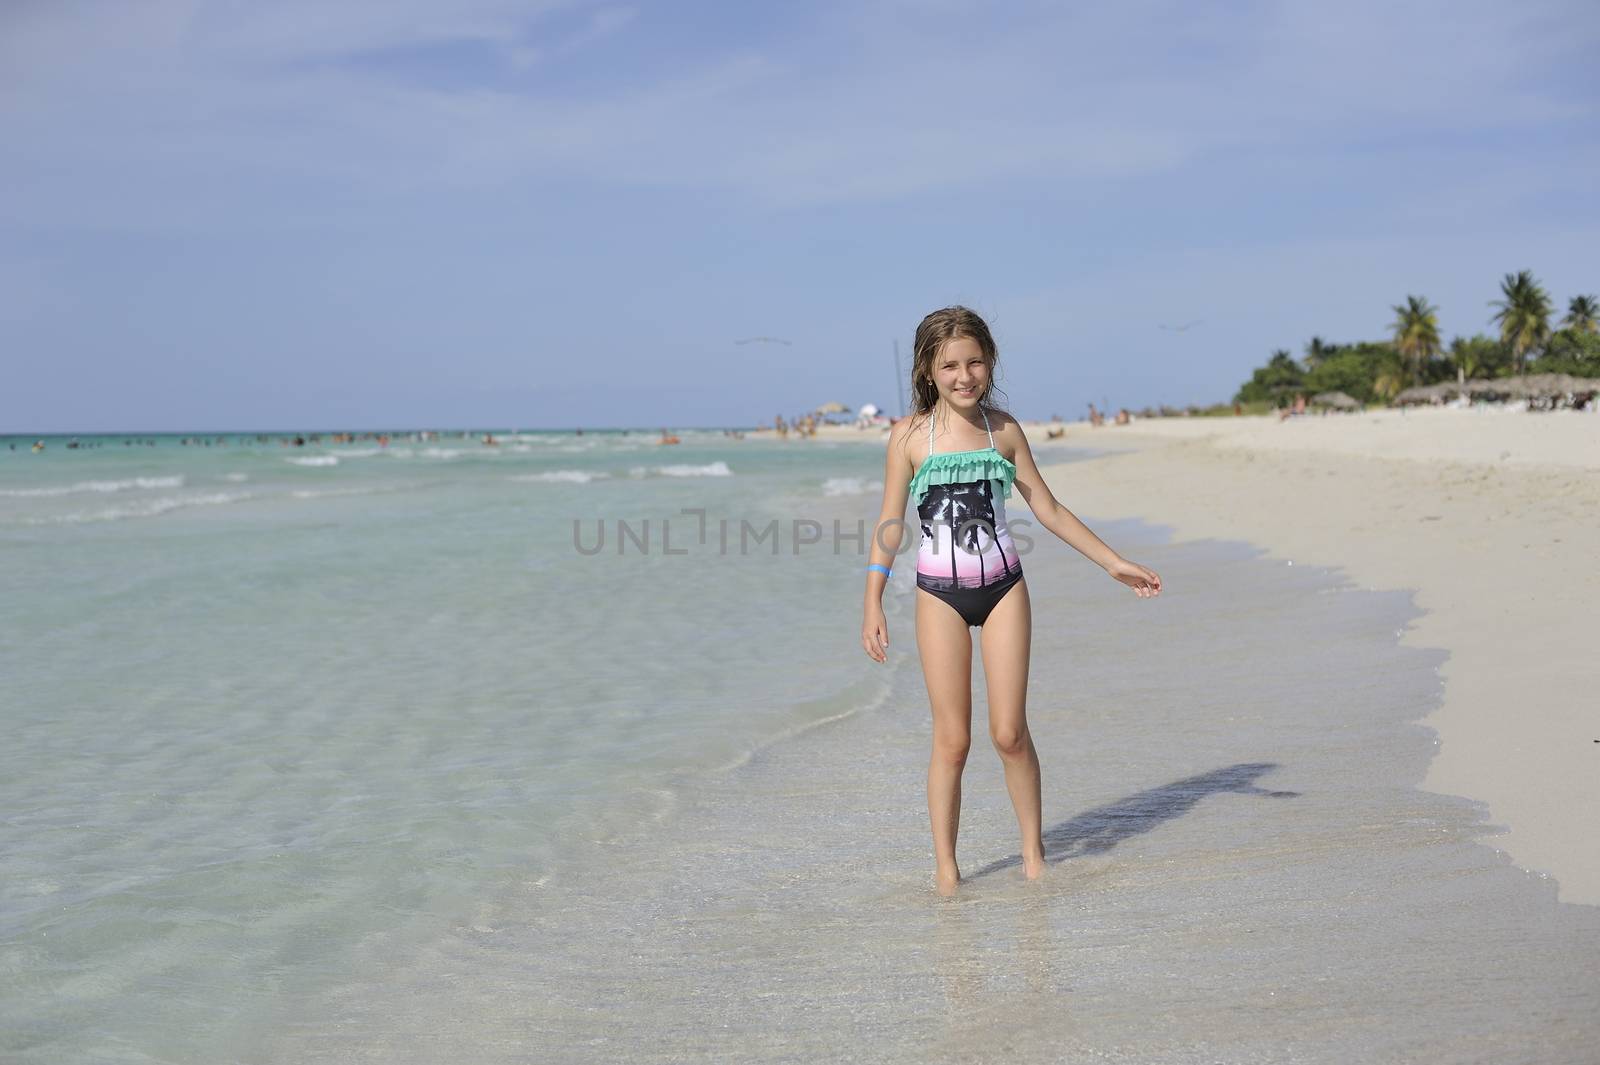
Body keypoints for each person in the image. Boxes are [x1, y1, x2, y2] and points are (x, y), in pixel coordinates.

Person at [860, 306, 1162, 897]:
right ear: (927, 370)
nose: (963, 375)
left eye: (974, 362)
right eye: (949, 365)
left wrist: (1113, 562)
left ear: (990, 363)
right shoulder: (907, 438)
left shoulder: (1005, 432)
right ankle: (947, 874)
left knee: (1008, 733)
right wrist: (872, 599)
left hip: (1003, 590)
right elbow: (890, 523)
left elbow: (1047, 509)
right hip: (938, 596)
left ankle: (1033, 857)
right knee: (953, 740)